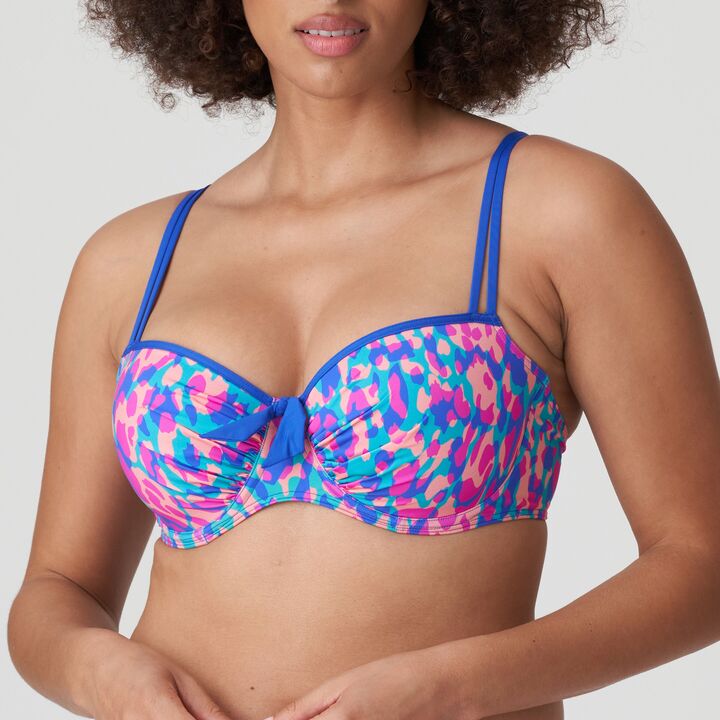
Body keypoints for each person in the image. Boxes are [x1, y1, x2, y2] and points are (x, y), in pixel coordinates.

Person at [7, 2, 720, 719]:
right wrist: (107, 677)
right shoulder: (130, 261)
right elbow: (59, 589)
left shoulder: (564, 211)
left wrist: (449, 690)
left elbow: (704, 564)